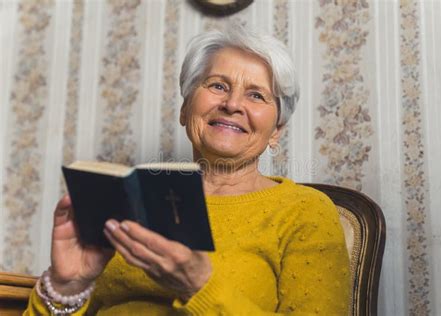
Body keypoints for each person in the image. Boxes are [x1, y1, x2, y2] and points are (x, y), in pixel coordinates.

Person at [25, 26, 350, 315]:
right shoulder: (133, 197)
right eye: (218, 86)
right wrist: (67, 286)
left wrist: (199, 286)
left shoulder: (304, 211)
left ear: (277, 130)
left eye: (256, 95)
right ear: (185, 109)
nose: (233, 104)